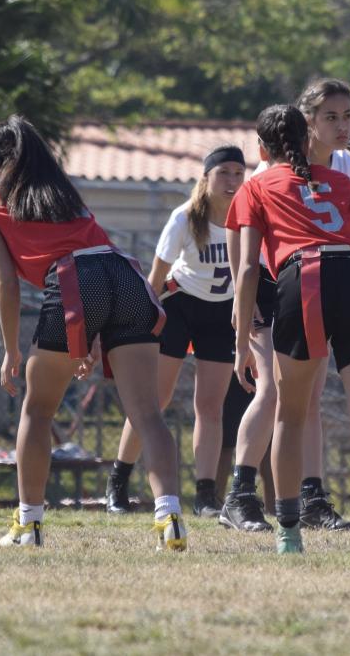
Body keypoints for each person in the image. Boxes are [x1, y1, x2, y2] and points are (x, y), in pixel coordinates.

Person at [0, 115, 186, 551]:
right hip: (125, 273)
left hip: (76, 283)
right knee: (147, 414)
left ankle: (28, 524)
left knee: (37, 410)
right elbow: (96, 260)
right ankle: (170, 515)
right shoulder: (62, 197)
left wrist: (12, 350)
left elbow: (6, 282)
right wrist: (89, 337)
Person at [228, 104, 350, 556]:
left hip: (304, 282)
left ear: (260, 147)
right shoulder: (343, 181)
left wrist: (241, 344)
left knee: (289, 418)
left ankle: (289, 536)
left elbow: (249, 272)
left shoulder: (254, 187)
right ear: (308, 134)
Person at [106, 146, 247, 518]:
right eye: (224, 173)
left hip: (221, 314)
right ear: (206, 177)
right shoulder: (185, 218)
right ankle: (118, 481)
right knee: (154, 401)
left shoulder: (247, 217)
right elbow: (155, 277)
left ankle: (204, 495)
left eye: (238, 172)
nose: (232, 180)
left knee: (210, 407)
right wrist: (142, 322)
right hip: (179, 306)